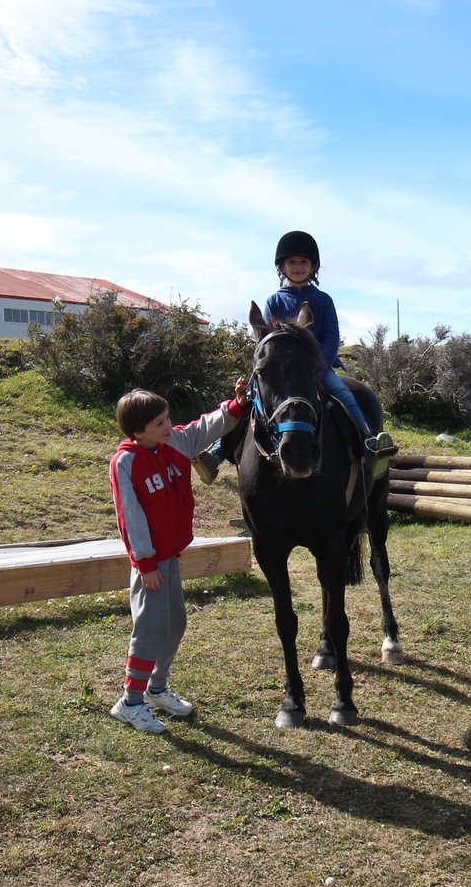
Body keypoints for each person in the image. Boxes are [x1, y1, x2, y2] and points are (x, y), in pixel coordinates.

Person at [196, 230, 395, 483]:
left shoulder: (323, 300)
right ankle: (218, 452)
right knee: (246, 400)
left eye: (303, 262)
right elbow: (266, 339)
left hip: (317, 367)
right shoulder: (274, 301)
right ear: (281, 266)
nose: (298, 267)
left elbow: (332, 337)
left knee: (345, 395)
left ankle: (368, 443)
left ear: (313, 267)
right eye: (292, 262)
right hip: (279, 372)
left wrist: (317, 365)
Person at [108, 380, 248, 733]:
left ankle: (156, 689)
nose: (168, 426)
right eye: (159, 423)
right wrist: (144, 564)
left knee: (175, 625)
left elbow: (206, 427)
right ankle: (131, 701)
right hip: (150, 564)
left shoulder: (176, 442)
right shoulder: (126, 462)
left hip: (171, 556)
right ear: (138, 430)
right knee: (151, 628)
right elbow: (130, 516)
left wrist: (235, 405)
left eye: (167, 418)